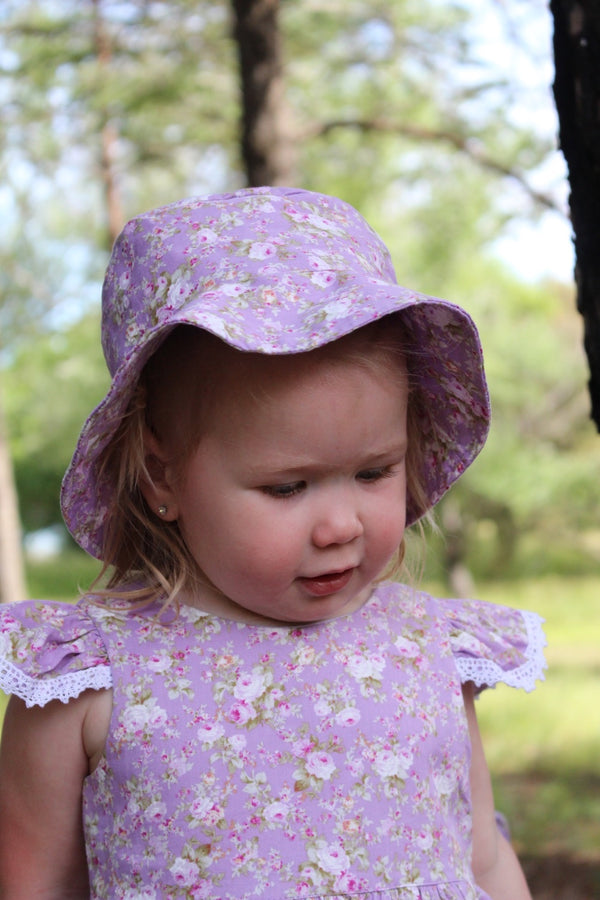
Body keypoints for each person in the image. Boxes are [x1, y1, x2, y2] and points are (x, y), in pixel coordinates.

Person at [0, 187, 546, 900]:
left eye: (374, 471)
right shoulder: (88, 678)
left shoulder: (432, 652)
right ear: (163, 474)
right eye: (288, 488)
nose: (341, 525)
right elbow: (35, 883)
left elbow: (483, 863)